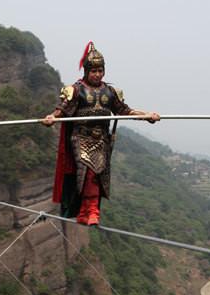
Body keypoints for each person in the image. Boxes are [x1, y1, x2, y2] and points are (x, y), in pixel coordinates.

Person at [42, 42, 160, 226]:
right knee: (87, 173)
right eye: (93, 71)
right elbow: (63, 110)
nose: (97, 74)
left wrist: (147, 116)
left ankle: (85, 213)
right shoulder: (76, 90)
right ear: (86, 71)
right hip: (81, 138)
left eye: (100, 71)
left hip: (102, 140)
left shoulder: (110, 92)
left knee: (98, 176)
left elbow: (124, 110)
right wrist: (52, 117)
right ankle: (91, 212)